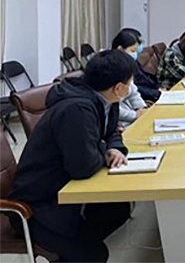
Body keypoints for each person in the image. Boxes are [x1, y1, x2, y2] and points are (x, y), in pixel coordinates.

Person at [9, 50, 133, 263]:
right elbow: (83, 167)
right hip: (38, 205)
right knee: (95, 255)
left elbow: (112, 131)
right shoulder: (76, 109)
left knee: (117, 210)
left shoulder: (105, 99)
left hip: (62, 186)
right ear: (119, 88)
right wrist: (104, 149)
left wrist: (114, 148)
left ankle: (74, 244)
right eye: (130, 83)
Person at [112, 31, 148, 127]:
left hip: (131, 115)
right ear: (120, 49)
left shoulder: (127, 66)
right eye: (132, 51)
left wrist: (142, 107)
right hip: (120, 122)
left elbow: (133, 92)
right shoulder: (110, 69)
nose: (135, 54)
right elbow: (112, 107)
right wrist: (135, 115)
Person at [120, 28, 162, 102]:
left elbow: (142, 78)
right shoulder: (118, 66)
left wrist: (157, 89)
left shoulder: (132, 61)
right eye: (133, 50)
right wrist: (156, 93)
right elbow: (136, 87)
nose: (135, 53)